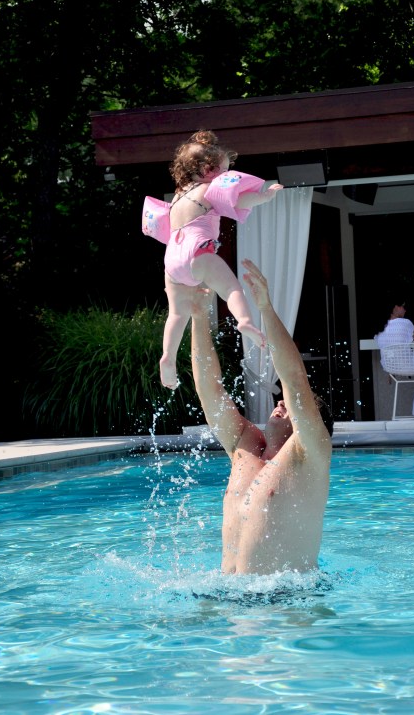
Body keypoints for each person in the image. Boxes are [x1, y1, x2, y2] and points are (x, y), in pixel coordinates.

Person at [190, 259, 332, 576]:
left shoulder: (311, 454)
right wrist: (198, 317)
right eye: (282, 401)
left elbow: (295, 381)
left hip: (286, 599)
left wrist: (265, 309)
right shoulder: (245, 447)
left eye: (292, 406)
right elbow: (209, 391)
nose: (281, 401)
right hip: (228, 593)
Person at [142, 130, 283, 389]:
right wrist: (265, 196)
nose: (227, 176)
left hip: (172, 259)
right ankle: (245, 321)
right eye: (225, 170)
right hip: (198, 250)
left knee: (177, 313)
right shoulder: (210, 189)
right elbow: (240, 199)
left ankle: (168, 356)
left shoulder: (178, 196)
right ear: (209, 170)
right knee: (231, 289)